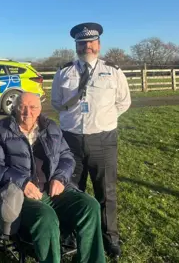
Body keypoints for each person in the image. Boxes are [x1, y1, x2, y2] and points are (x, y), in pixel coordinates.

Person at [0, 92, 106, 263]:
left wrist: (60, 177)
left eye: (33, 107)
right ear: (15, 108)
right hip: (19, 195)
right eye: (22, 107)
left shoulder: (51, 128)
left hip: (53, 190)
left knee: (90, 206)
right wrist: (22, 183)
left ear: (39, 110)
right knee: (45, 216)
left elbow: (67, 157)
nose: (27, 112)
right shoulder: (0, 130)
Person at [50, 22, 131, 260]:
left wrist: (104, 119)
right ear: (76, 45)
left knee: (106, 191)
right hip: (70, 141)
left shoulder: (113, 71)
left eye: (91, 42)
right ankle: (68, 236)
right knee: (70, 189)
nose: (87, 46)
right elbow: (56, 102)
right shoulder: (65, 72)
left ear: (98, 44)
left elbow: (123, 102)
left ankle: (110, 238)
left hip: (103, 139)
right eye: (82, 43)